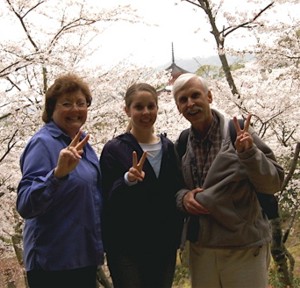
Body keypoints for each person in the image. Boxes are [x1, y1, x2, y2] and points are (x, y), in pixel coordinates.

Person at [172, 73, 285, 288]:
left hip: (243, 247)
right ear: (178, 107)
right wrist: (183, 197)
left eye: (196, 96)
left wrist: (249, 154)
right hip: (202, 247)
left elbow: (273, 183)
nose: (190, 104)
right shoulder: (183, 142)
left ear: (210, 97)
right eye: (183, 100)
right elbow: (176, 187)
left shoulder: (236, 132)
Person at [17, 73, 104, 288]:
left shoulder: (83, 143)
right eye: (67, 104)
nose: (75, 109)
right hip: (53, 263)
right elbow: (25, 204)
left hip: (84, 258)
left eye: (81, 103)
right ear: (52, 109)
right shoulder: (43, 143)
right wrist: (56, 175)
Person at [100, 82, 184, 288]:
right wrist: (127, 180)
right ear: (127, 110)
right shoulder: (114, 149)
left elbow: (175, 191)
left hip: (163, 243)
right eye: (138, 107)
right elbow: (106, 198)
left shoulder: (168, 148)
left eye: (150, 106)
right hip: (126, 247)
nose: (145, 112)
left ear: (157, 107)